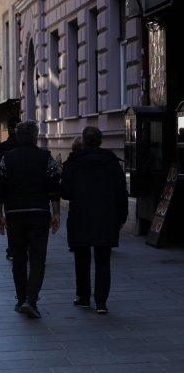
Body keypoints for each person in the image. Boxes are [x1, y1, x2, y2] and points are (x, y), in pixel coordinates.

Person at [0, 120, 61, 319]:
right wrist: (56, 212)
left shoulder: (7, 158)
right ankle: (31, 299)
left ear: (17, 137)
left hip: (15, 215)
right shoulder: (45, 157)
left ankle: (21, 298)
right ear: (35, 137)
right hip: (39, 213)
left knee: (19, 259)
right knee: (38, 258)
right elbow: (53, 186)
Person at [61, 126, 129, 314]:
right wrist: (121, 217)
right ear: (100, 141)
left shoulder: (72, 163)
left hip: (80, 216)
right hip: (106, 217)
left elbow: (65, 193)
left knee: (81, 259)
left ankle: (83, 297)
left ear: (82, 142)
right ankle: (101, 302)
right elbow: (121, 193)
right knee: (103, 260)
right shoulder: (112, 163)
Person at [0, 117, 21, 260]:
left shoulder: (4, 146)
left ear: (10, 129)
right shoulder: (25, 145)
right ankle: (25, 247)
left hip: (9, 190)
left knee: (11, 219)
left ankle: (12, 249)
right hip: (26, 189)